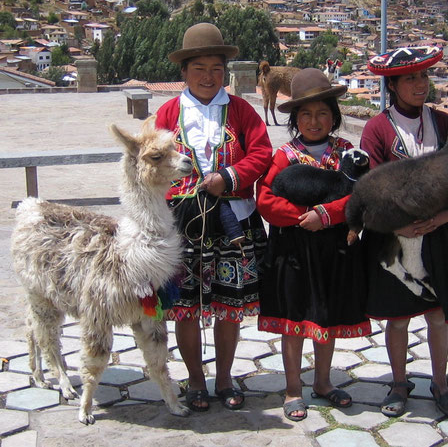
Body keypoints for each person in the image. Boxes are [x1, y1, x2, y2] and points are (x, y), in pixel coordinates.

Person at [361, 46, 448, 417]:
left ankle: (440, 382)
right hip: (395, 237)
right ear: (393, 85)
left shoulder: (442, 123)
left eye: (423, 77)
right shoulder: (377, 129)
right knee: (399, 317)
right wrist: (400, 224)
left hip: (442, 232)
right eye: (410, 78)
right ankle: (399, 383)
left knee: (438, 314)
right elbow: (371, 184)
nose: (420, 84)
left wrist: (447, 215)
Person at [155, 22, 272, 412]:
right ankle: (196, 381)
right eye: (199, 68)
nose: (209, 76)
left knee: (229, 307)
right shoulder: (168, 113)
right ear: (184, 72)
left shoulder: (240, 110)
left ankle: (224, 379)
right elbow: (152, 162)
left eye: (216, 69)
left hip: (233, 225)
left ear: (226, 71)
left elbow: (261, 153)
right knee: (185, 308)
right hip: (183, 227)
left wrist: (229, 176)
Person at [256, 68, 371, 422]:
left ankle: (322, 383)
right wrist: (300, 215)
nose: (314, 120)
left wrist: (327, 214)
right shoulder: (285, 156)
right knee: (294, 321)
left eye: (322, 113)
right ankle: (293, 389)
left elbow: (362, 196)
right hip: (293, 251)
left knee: (326, 318)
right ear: (295, 119)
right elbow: (264, 200)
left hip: (333, 251)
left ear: (334, 116)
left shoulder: (348, 153)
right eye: (305, 114)